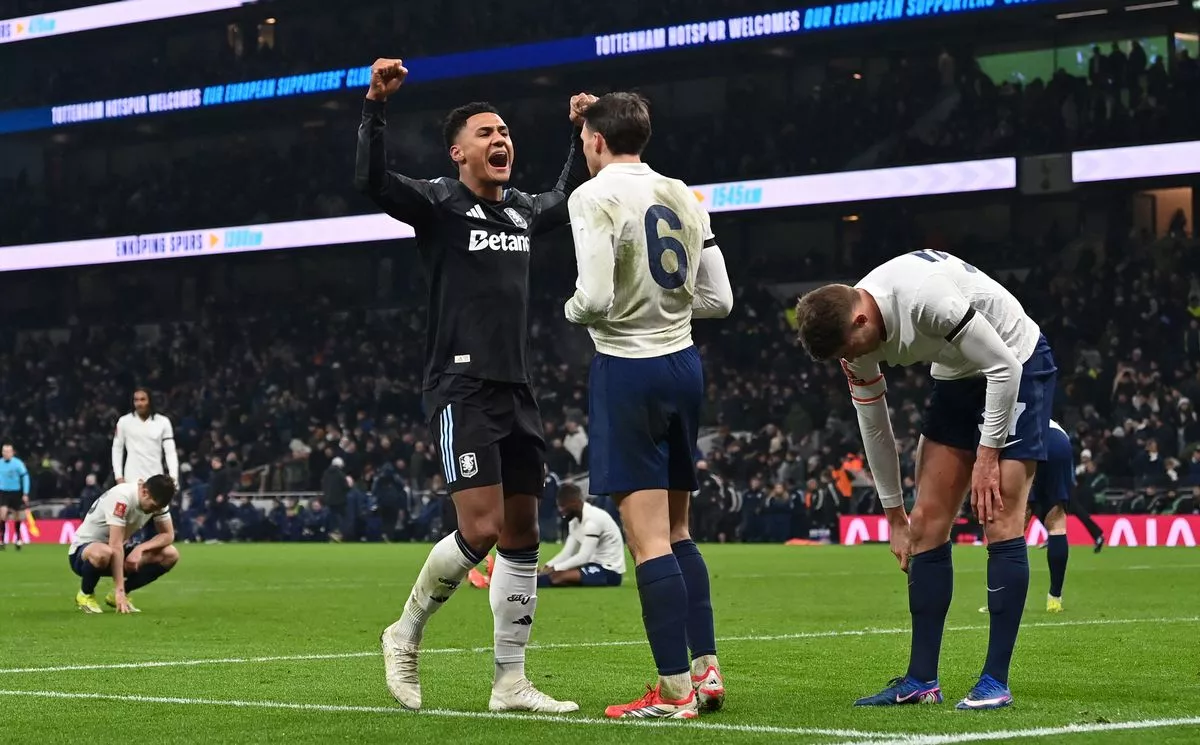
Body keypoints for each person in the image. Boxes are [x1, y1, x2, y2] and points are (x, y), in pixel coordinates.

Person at [355, 57, 589, 714]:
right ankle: (403, 633)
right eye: (486, 133)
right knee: (481, 527)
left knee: (521, 533)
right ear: (458, 152)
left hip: (516, 387)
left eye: (506, 131)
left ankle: (509, 681)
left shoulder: (520, 210)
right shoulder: (438, 203)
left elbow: (567, 197)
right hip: (461, 387)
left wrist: (575, 134)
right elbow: (369, 179)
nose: (501, 140)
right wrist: (375, 105)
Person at [795, 249, 1057, 711]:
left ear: (860, 319)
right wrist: (894, 515)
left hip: (1016, 360)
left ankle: (995, 680)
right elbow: (873, 423)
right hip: (957, 374)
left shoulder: (924, 299)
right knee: (925, 523)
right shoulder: (850, 333)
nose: (854, 359)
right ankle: (921, 680)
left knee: (998, 514)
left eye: (852, 348)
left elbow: (1003, 368)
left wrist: (986, 456)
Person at [565, 92, 733, 719]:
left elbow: (596, 295)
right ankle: (706, 671)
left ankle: (672, 693)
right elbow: (719, 299)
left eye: (584, 140)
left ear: (598, 141)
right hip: (684, 365)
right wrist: (666, 308)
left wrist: (569, 311)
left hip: (628, 369)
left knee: (647, 541)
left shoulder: (594, 195)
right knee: (680, 530)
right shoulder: (683, 193)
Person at [979, 419, 1074, 615]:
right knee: (1056, 522)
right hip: (1058, 439)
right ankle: (1054, 599)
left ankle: (1000, 598)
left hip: (1023, 438)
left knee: (1010, 524)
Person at [68, 475, 179, 614]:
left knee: (170, 554)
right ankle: (85, 594)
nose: (153, 511)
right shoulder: (122, 497)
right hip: (84, 552)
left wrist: (140, 549)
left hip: (116, 549)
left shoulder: (158, 501)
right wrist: (118, 589)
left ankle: (119, 594)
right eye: (153, 507)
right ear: (144, 492)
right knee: (104, 552)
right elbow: (115, 545)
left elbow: (168, 535)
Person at [538, 483, 626, 587]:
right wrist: (548, 566)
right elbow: (567, 553)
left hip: (609, 570)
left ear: (575, 502)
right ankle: (535, 580)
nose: (561, 511)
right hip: (590, 565)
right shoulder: (574, 522)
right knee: (555, 575)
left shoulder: (593, 520)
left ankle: (534, 582)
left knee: (557, 576)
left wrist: (554, 568)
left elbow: (583, 556)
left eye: (563, 506)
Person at [112, 388, 180, 487]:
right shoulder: (124, 422)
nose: (139, 403)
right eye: (136, 400)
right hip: (131, 479)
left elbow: (170, 452)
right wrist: (118, 476)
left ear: (150, 401)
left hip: (156, 477)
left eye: (143, 399)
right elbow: (117, 449)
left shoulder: (163, 422)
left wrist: (174, 477)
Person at [0, 443, 31, 551]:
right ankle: (2, 540)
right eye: (4, 451)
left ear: (12, 452)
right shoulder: (0, 463)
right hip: (3, 492)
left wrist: (25, 493)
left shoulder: (18, 463)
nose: (6, 453)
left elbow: (25, 477)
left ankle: (18, 538)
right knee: (2, 515)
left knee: (17, 516)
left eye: (8, 451)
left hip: (16, 492)